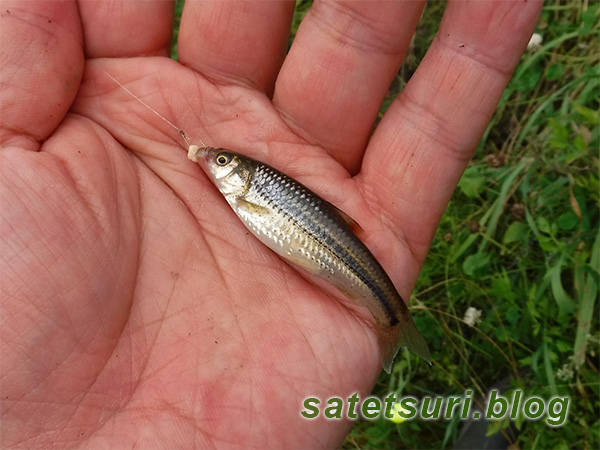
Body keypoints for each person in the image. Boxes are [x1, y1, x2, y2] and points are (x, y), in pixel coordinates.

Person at [1, 0, 542, 447]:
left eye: (220, 164)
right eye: (217, 162)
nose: (212, 165)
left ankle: (391, 315)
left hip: (339, 260)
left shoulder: (248, 193)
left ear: (235, 176)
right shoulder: (240, 191)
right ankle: (394, 321)